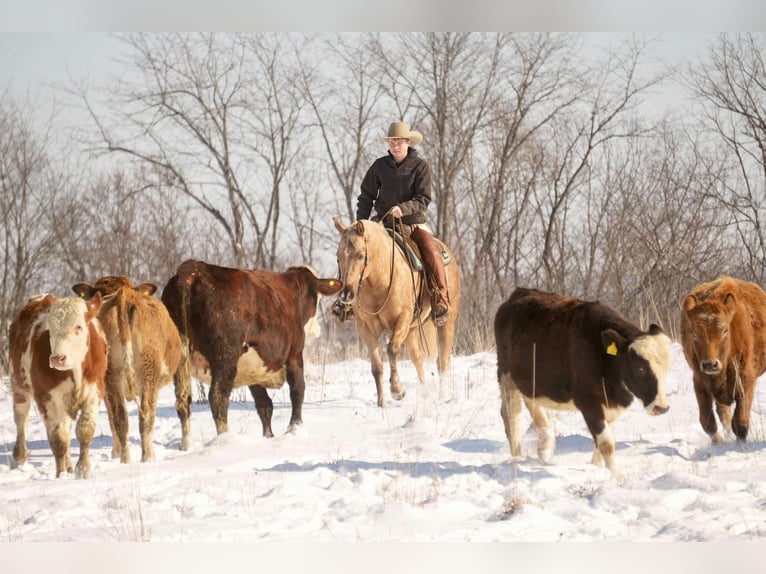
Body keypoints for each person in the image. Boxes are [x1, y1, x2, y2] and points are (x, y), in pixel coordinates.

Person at [333, 121, 450, 323]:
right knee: (352, 252)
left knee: (431, 250)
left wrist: (403, 209)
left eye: (399, 142)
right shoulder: (379, 166)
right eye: (392, 142)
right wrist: (360, 224)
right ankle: (345, 301)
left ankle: (440, 297)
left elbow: (423, 198)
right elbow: (366, 196)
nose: (395, 146)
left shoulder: (420, 166)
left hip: (413, 223)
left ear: (408, 142)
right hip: (383, 225)